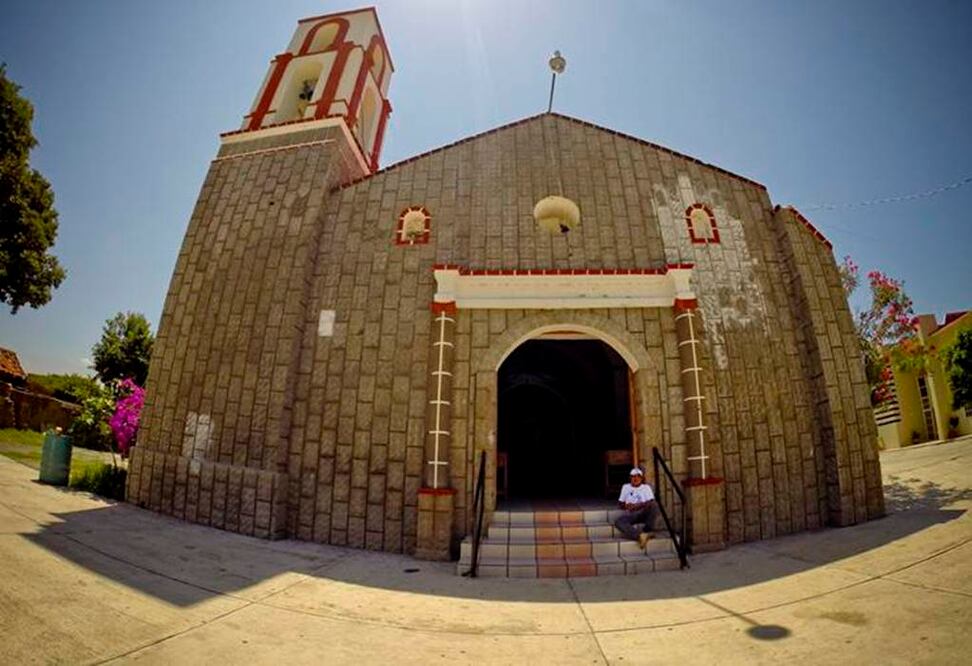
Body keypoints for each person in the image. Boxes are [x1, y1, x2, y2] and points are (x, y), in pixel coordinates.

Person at [614, 467, 660, 549]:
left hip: (643, 512)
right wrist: (626, 505)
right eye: (633, 476)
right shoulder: (625, 487)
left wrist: (638, 505)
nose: (635, 478)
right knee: (618, 521)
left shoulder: (646, 487)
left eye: (638, 476)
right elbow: (620, 503)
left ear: (642, 478)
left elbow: (651, 502)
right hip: (631, 513)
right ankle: (640, 535)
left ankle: (647, 530)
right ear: (630, 478)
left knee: (654, 505)